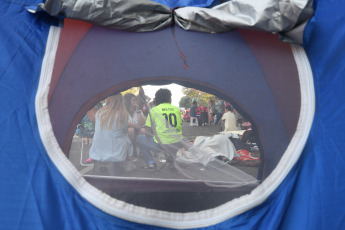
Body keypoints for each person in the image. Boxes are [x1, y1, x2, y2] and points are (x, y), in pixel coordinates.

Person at [136, 88, 184, 170]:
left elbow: (147, 132)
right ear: (170, 99)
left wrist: (153, 134)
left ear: (156, 100)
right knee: (170, 138)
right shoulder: (177, 109)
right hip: (177, 143)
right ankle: (172, 162)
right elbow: (179, 126)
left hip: (161, 145)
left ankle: (150, 163)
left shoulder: (154, 111)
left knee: (140, 138)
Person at [89, 93, 133, 176]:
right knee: (127, 139)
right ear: (121, 101)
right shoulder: (122, 114)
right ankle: (128, 162)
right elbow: (124, 131)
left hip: (96, 152)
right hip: (115, 153)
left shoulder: (99, 113)